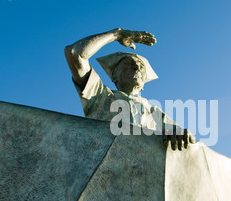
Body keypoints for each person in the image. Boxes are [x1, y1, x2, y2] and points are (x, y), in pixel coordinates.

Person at [64, 28, 195, 150]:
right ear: (114, 76)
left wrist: (181, 135)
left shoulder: (155, 112)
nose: (137, 68)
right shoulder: (100, 96)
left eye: (141, 67)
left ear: (143, 84)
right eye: (129, 63)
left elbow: (189, 143)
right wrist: (116, 34)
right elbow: (75, 54)